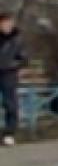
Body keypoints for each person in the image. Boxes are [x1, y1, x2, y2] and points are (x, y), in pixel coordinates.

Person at [0, 11, 25, 146]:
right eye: (4, 23)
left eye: (9, 23)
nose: (7, 26)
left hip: (9, 73)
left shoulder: (17, 39)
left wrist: (13, 65)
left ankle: (9, 132)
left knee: (10, 103)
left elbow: (23, 58)